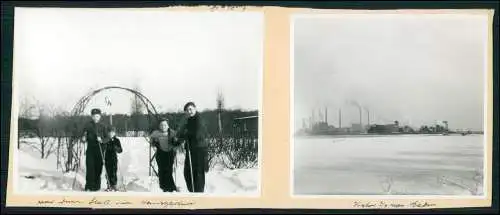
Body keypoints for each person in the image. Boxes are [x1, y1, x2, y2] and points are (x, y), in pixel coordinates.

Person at [179, 102, 208, 193]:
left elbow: (198, 133)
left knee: (198, 173)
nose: (189, 111)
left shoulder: (199, 119)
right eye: (187, 110)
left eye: (191, 109)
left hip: (199, 149)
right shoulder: (189, 120)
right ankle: (193, 191)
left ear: (195, 108)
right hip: (191, 149)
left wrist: (187, 134)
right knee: (188, 172)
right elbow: (182, 132)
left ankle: (198, 193)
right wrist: (177, 139)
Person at [150, 118, 181, 192]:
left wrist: (176, 143)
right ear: (159, 126)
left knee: (168, 170)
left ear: (168, 125)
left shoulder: (172, 132)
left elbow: (178, 142)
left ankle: (170, 187)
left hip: (169, 153)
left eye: (165, 125)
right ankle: (163, 186)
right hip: (160, 153)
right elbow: (151, 140)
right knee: (161, 170)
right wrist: (154, 142)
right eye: (161, 125)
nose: (163, 126)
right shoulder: (156, 133)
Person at [82, 108, 108, 191]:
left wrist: (102, 140)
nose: (95, 118)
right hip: (90, 150)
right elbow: (83, 136)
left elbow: (107, 138)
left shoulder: (103, 126)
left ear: (100, 116)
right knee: (90, 167)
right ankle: (88, 186)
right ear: (91, 116)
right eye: (94, 116)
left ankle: (96, 186)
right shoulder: (88, 125)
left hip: (100, 150)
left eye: (97, 116)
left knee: (98, 168)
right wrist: (83, 138)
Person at [103, 127, 123, 191]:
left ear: (114, 133)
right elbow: (102, 148)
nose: (111, 134)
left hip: (114, 158)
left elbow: (120, 150)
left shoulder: (117, 140)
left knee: (113, 172)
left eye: (112, 132)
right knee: (108, 172)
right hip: (107, 158)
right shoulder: (106, 140)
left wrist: (116, 147)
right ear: (108, 133)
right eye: (110, 132)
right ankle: (109, 185)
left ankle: (114, 185)